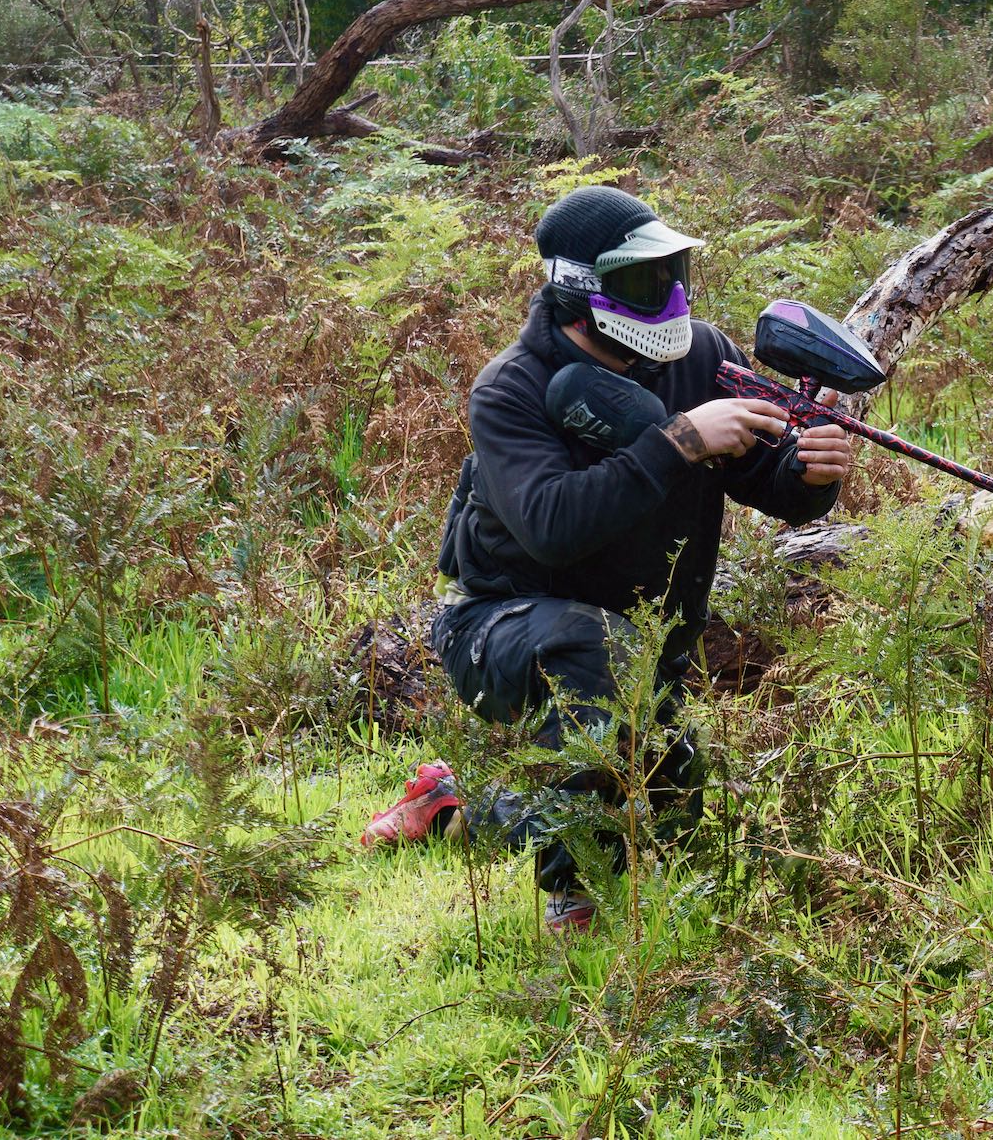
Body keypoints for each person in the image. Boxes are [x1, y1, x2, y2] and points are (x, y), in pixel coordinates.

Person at [359, 185, 854, 928]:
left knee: (661, 817)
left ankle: (454, 804)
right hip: (500, 627)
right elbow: (553, 526)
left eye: (674, 272)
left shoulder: (703, 357)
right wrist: (679, 441)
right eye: (646, 280)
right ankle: (574, 905)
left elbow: (767, 481)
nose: (670, 295)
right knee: (594, 655)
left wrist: (810, 474)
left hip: (646, 646)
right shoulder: (510, 390)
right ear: (581, 288)